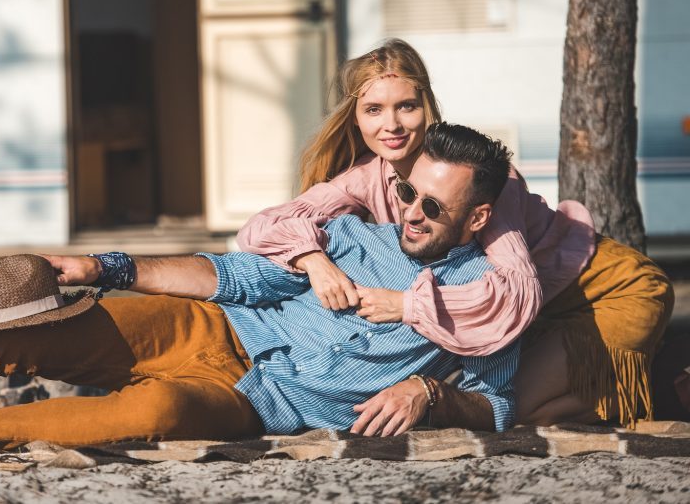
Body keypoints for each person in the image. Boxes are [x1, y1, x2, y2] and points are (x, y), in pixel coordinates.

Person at [0, 124, 518, 463]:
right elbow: (234, 273)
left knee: (157, 417)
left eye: (432, 207)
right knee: (14, 334)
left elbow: (500, 405)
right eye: (408, 193)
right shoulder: (353, 231)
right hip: (212, 327)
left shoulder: (491, 300)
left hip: (259, 400)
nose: (409, 212)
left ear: (476, 215)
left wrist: (430, 391)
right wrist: (112, 269)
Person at [237, 38, 674, 427]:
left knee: (507, 409)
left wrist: (407, 304)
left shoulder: (472, 175)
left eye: (406, 106)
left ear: (427, 107)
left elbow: (517, 294)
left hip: (610, 287)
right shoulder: (365, 177)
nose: (391, 125)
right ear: (355, 120)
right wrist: (313, 262)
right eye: (374, 109)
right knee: (509, 394)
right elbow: (262, 227)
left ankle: (665, 393)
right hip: (533, 306)